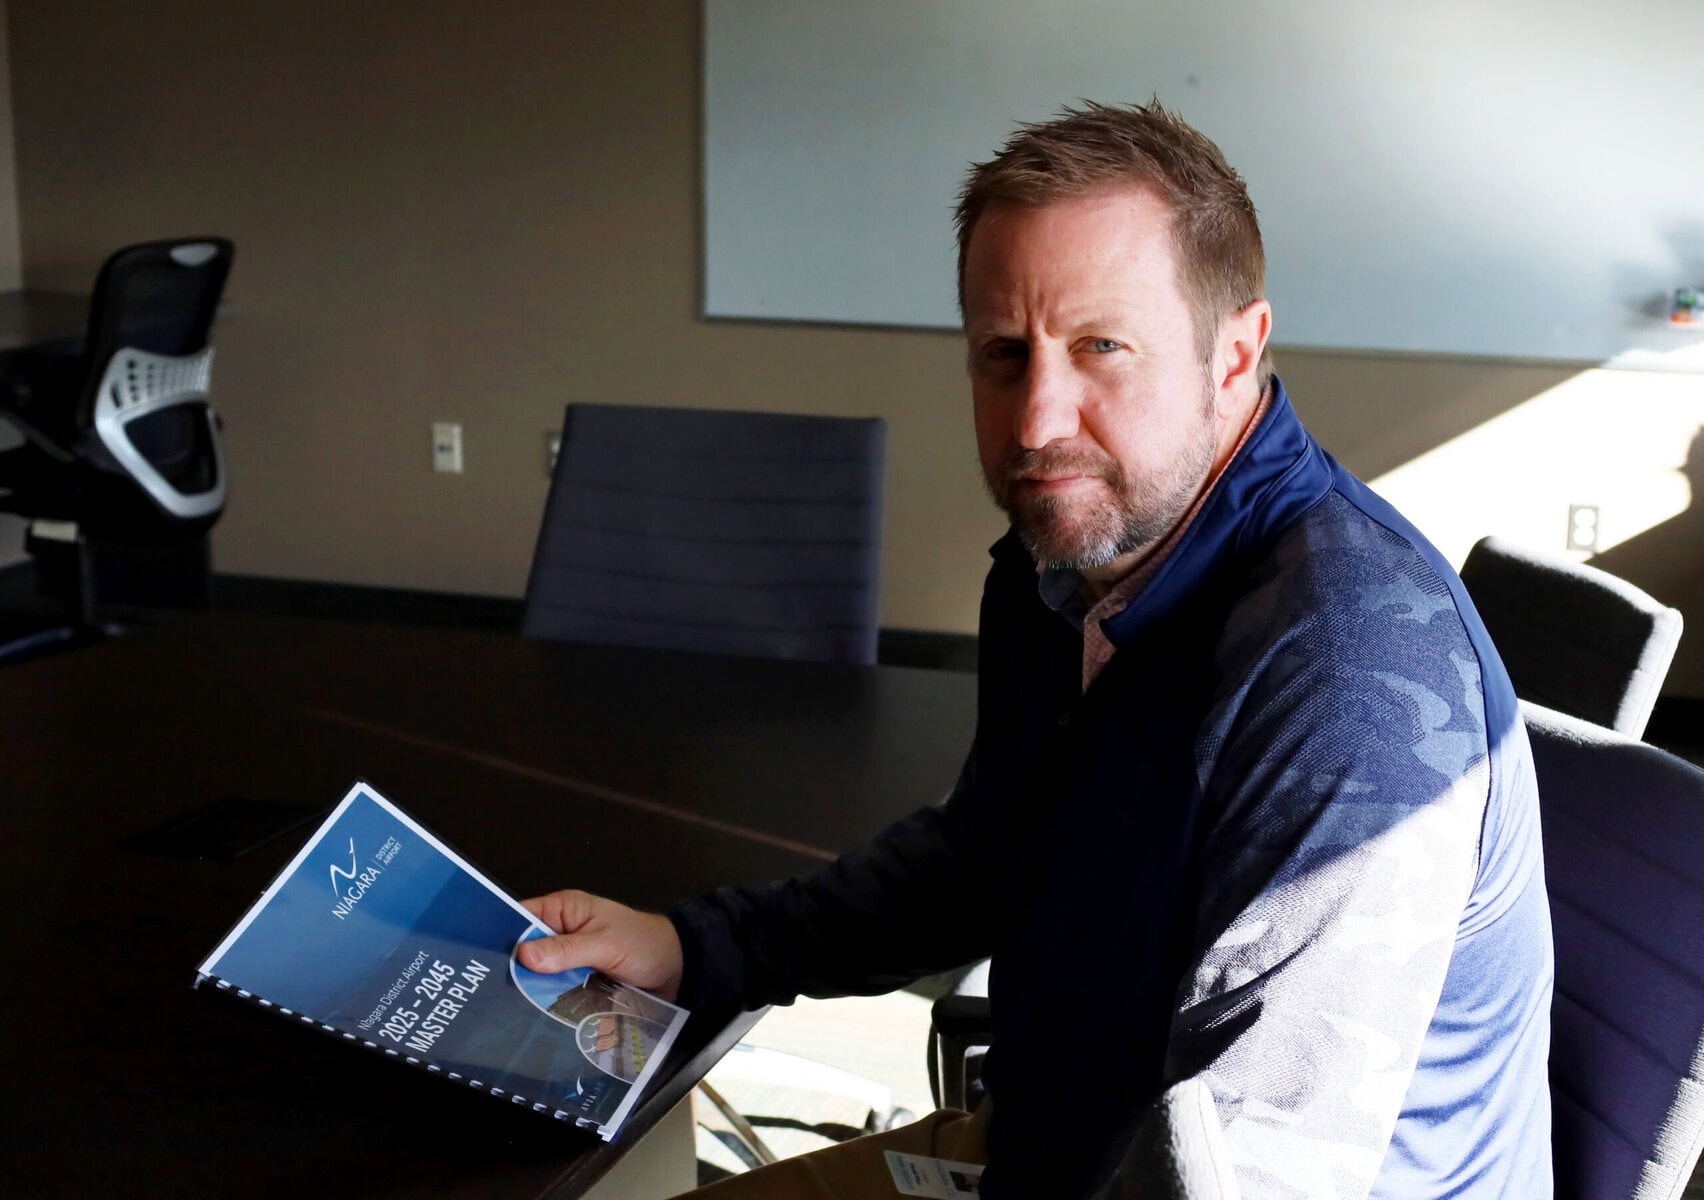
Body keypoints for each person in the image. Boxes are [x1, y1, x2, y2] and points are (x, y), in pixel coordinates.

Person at [519, 101, 1553, 1199]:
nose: (1034, 422)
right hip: (1053, 1152)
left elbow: (1258, 1173)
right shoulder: (1061, 564)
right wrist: (693, 949)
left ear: (1235, 355)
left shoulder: (1345, 676)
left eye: (1101, 348)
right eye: (1003, 356)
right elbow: (986, 855)